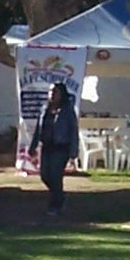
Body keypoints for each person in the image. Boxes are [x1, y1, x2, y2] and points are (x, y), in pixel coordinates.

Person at [34, 81, 79, 217]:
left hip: (61, 147)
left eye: (55, 92)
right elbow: (38, 129)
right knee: (45, 175)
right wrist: (33, 145)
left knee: (55, 175)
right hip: (47, 146)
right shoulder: (45, 109)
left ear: (62, 94)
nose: (52, 95)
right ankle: (60, 196)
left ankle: (55, 204)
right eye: (50, 92)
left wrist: (73, 152)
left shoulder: (67, 110)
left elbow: (73, 131)